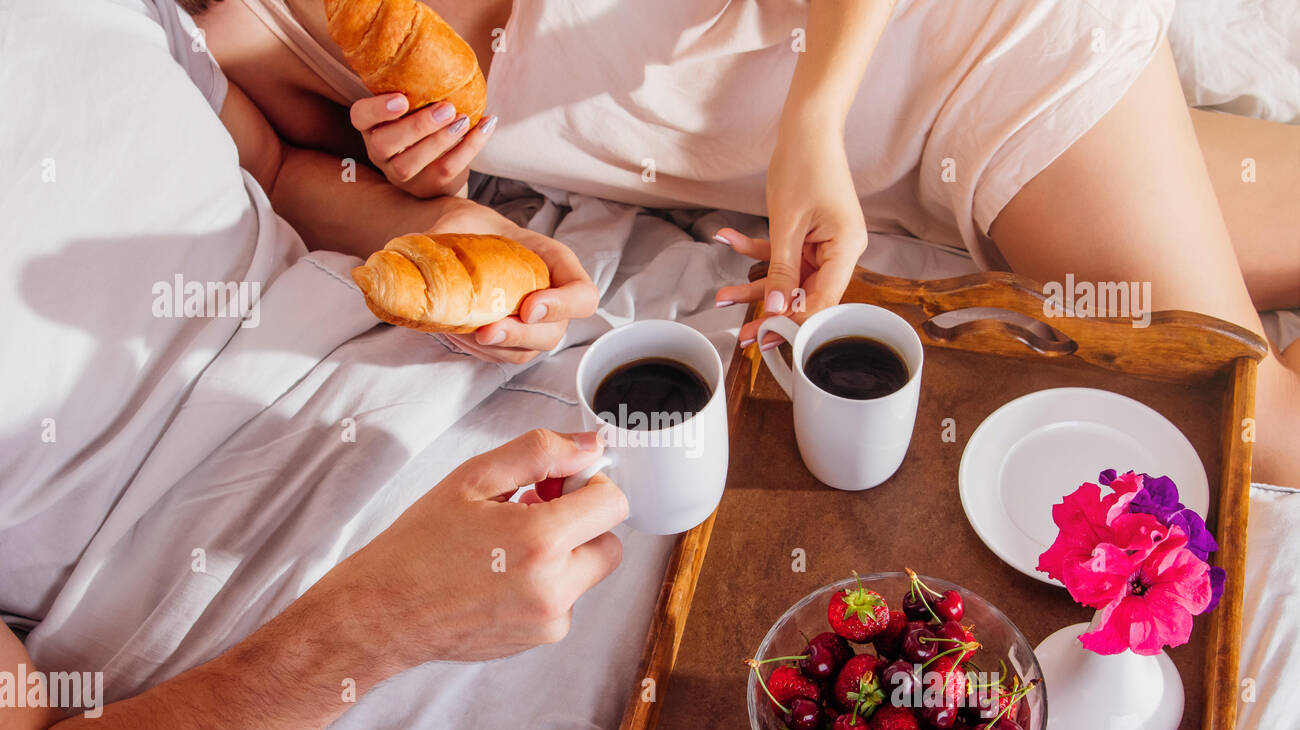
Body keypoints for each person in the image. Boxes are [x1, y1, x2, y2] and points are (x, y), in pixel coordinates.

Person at [0, 0, 625, 730]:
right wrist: (380, 623)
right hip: (254, 594)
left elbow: (276, 171)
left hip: (434, 360)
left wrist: (446, 237)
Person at [192, 0, 1300, 485]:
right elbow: (296, 175)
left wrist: (810, 129)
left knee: (1253, 432)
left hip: (981, 48)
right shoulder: (206, 42)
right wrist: (454, 216)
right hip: (897, 175)